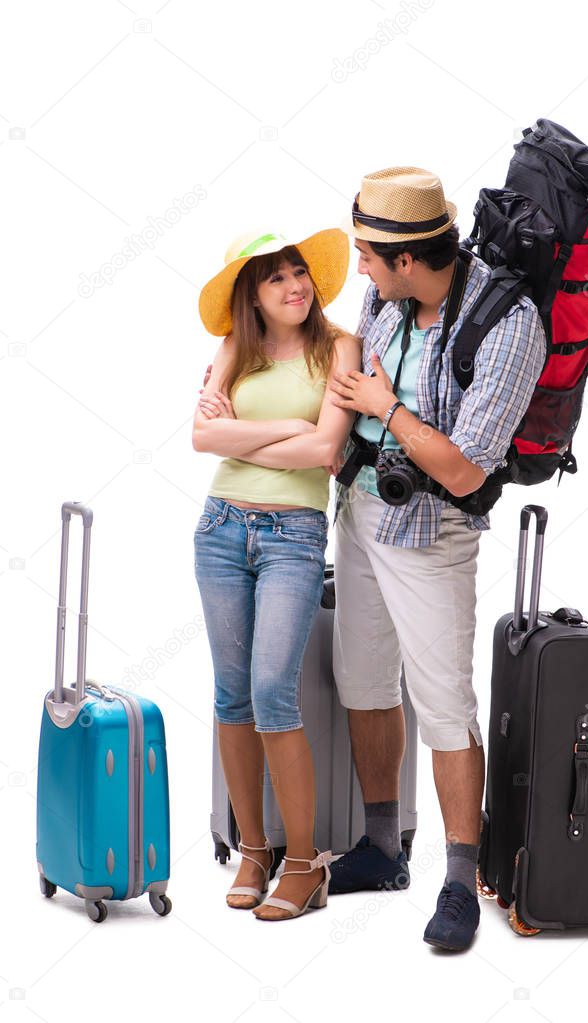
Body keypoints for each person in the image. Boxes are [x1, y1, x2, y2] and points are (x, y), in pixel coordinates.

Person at [327, 167, 546, 951]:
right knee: (361, 680)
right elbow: (352, 366)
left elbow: (464, 471)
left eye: (367, 257)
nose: (360, 270)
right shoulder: (387, 296)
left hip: (429, 535)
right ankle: (383, 847)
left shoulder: (509, 322)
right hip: (358, 513)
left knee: (445, 704)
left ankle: (459, 877)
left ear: (410, 258)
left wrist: (387, 407)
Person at [193, 229, 359, 921]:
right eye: (277, 278)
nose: (296, 286)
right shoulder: (235, 346)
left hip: (293, 534)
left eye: (300, 273)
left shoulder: (341, 347)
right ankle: (252, 848)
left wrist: (269, 429)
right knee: (232, 695)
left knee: (271, 692)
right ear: (251, 296)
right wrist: (290, 421)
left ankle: (303, 860)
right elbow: (203, 438)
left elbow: (327, 446)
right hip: (220, 527)